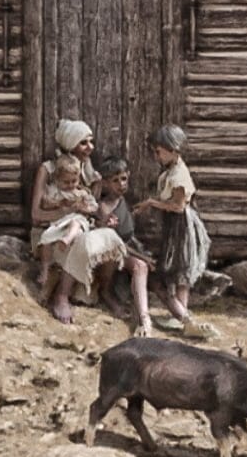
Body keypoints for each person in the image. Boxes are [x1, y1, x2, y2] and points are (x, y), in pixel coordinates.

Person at [30, 119, 127, 325]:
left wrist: (103, 220)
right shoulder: (47, 169)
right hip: (52, 232)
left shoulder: (89, 171)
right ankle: (61, 297)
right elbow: (36, 215)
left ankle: (105, 291)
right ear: (70, 143)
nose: (90, 148)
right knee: (82, 240)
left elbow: (89, 209)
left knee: (110, 237)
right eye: (84, 143)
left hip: (81, 226)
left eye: (91, 142)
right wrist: (66, 210)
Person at [146, 123, 212, 329]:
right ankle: (180, 315)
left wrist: (151, 203)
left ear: (173, 150)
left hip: (181, 226)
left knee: (180, 266)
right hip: (174, 224)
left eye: (158, 152)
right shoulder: (172, 170)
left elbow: (177, 206)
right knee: (177, 270)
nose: (156, 157)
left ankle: (183, 316)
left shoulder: (179, 176)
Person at [92, 155, 156, 338]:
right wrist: (143, 257)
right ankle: (106, 291)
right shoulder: (104, 207)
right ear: (105, 183)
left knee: (142, 267)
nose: (121, 184)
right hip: (111, 251)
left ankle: (144, 316)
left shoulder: (122, 201)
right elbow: (115, 243)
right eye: (115, 181)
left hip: (127, 246)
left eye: (124, 179)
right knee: (130, 259)